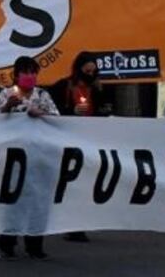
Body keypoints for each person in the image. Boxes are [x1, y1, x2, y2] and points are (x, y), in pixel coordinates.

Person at [0, 56, 59, 260]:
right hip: (13, 156)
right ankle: (8, 241)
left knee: (37, 200)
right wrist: (8, 107)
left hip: (39, 155)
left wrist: (40, 114)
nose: (29, 76)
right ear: (16, 75)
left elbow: (57, 119)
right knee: (12, 198)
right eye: (25, 72)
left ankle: (34, 243)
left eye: (33, 72)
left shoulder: (43, 95)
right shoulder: (6, 94)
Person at [48, 52, 110, 243]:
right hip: (67, 141)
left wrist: (103, 112)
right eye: (87, 71)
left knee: (85, 182)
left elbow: (103, 110)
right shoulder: (63, 86)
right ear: (79, 69)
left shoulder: (98, 89)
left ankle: (78, 224)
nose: (90, 74)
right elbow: (52, 110)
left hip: (89, 140)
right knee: (68, 182)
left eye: (93, 71)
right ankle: (67, 222)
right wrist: (71, 111)